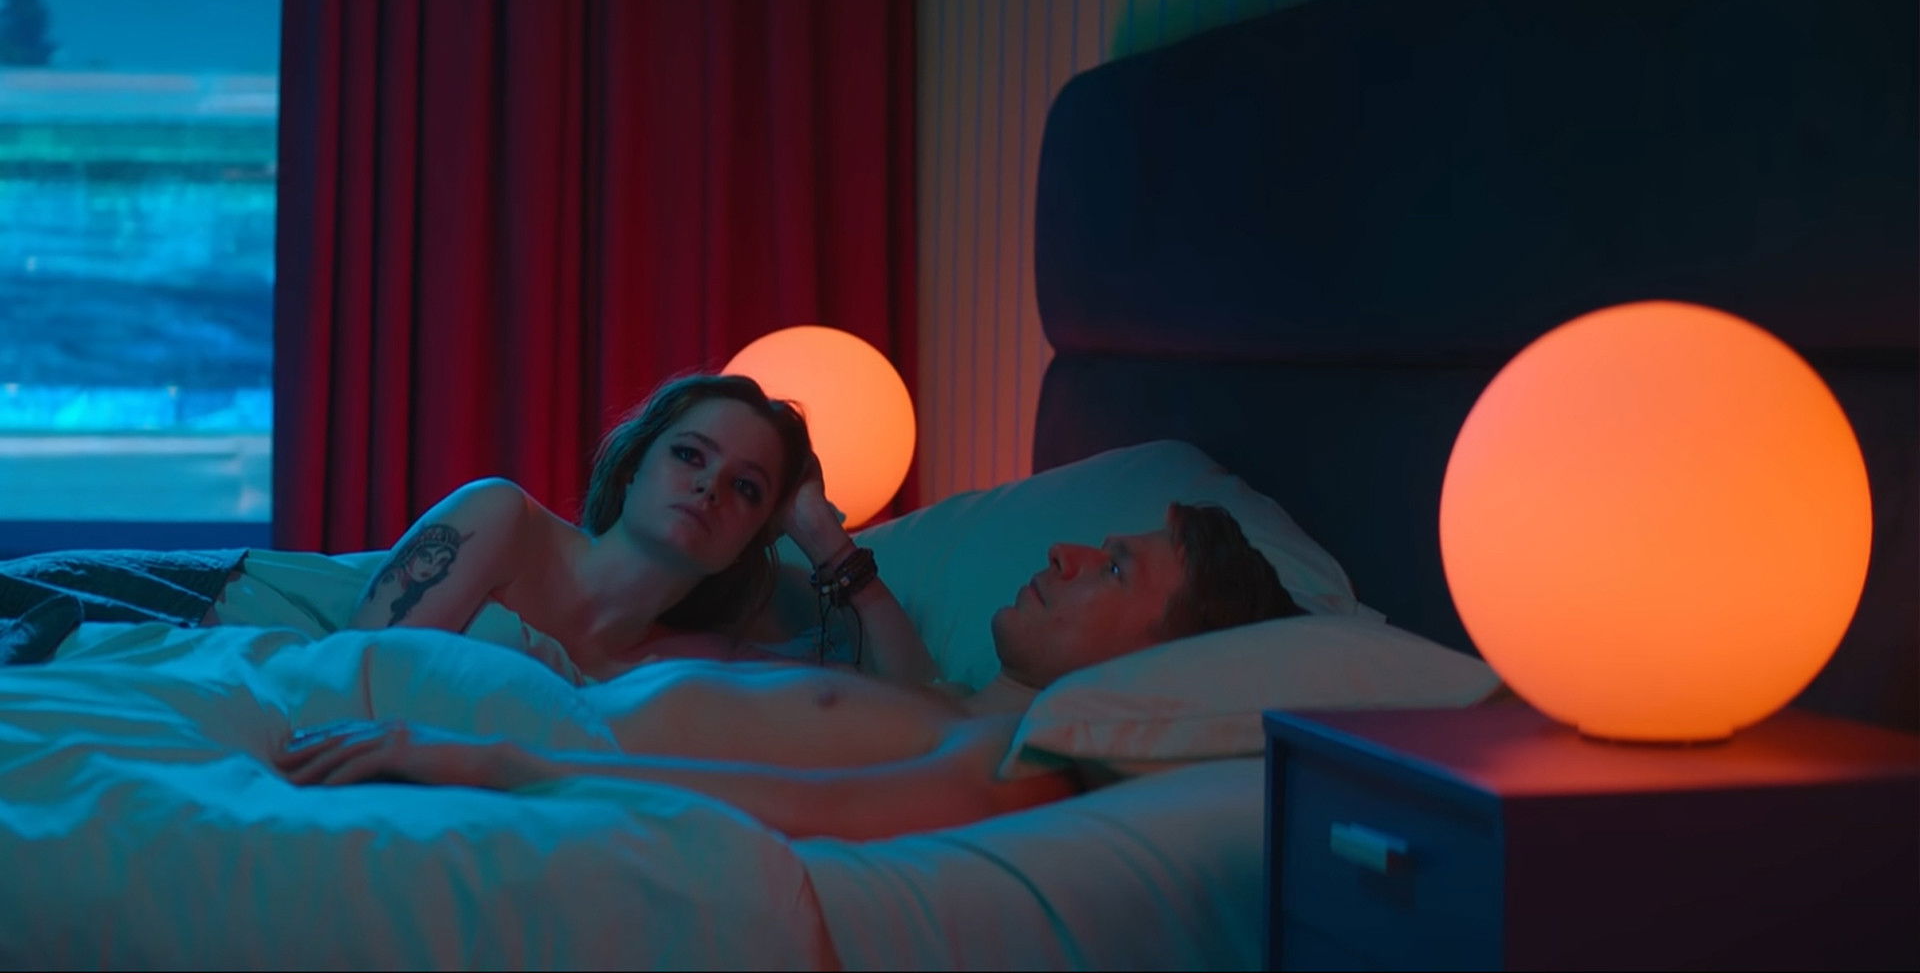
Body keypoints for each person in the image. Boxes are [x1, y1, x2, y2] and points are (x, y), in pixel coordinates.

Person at [275, 501, 1303, 841]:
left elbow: (813, 806)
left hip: (514, 754)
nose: (1066, 551)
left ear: (1167, 657)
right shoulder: (945, 700)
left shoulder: (1019, 752)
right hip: (512, 716)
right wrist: (822, 535)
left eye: (1115, 568)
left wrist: (505, 766)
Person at [201, 372, 911, 684]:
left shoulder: (705, 662)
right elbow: (348, 676)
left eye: (747, 488)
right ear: (632, 468)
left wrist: (824, 538)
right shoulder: (504, 518)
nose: (710, 487)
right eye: (690, 455)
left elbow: (923, 702)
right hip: (215, 606)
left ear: (755, 535)